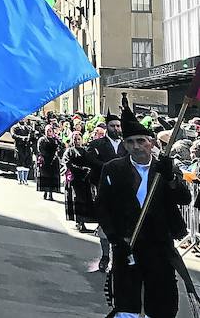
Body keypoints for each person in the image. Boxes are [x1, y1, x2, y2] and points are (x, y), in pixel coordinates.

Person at [96, 104, 190, 318]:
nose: (136, 146)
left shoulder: (164, 168)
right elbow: (102, 206)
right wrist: (114, 238)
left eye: (141, 141)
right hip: (127, 244)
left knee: (162, 301)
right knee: (127, 303)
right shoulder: (112, 169)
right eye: (130, 142)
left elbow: (185, 198)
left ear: (152, 143)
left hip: (159, 245)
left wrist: (171, 179)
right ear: (125, 145)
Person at [87, 110, 126, 273]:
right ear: (107, 127)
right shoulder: (98, 144)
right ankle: (105, 256)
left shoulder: (126, 145)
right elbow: (90, 159)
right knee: (105, 224)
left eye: (118, 125)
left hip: (124, 191)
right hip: (104, 190)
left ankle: (119, 258)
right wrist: (106, 167)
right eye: (113, 126)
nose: (116, 128)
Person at [62, 131, 96, 233]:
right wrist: (81, 169)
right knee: (76, 200)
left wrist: (88, 171)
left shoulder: (85, 151)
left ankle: (83, 222)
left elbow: (91, 162)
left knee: (85, 201)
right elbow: (68, 163)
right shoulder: (69, 151)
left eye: (78, 139)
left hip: (84, 180)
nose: (77, 141)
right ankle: (79, 222)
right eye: (75, 139)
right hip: (74, 180)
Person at [36, 124, 62, 200]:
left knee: (52, 177)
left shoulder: (55, 140)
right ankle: (45, 191)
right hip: (45, 161)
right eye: (47, 131)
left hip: (54, 161)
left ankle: (51, 193)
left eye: (50, 131)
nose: (49, 132)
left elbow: (60, 148)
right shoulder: (42, 139)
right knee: (45, 177)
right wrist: (45, 156)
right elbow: (40, 149)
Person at [11, 120, 33, 185]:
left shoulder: (28, 128)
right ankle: (20, 179)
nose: (22, 120)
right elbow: (13, 135)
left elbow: (32, 135)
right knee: (19, 163)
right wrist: (22, 138)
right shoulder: (14, 127)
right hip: (19, 147)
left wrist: (31, 136)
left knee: (26, 164)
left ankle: (25, 180)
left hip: (27, 148)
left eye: (23, 119)